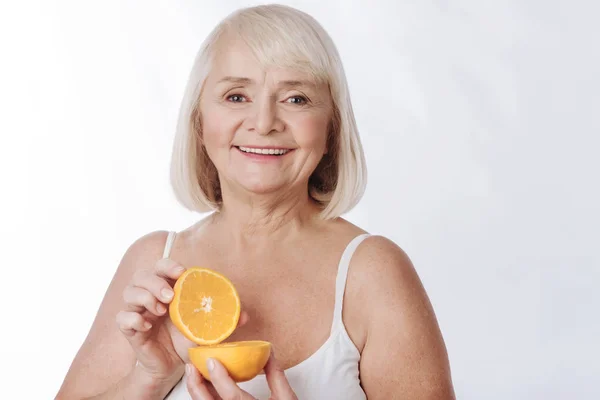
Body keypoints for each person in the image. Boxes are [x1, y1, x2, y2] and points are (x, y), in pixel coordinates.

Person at [57, 4, 455, 399]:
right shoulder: (153, 263)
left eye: (296, 99)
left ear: (331, 127)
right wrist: (149, 377)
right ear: (199, 121)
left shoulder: (373, 273)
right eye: (235, 96)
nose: (263, 123)